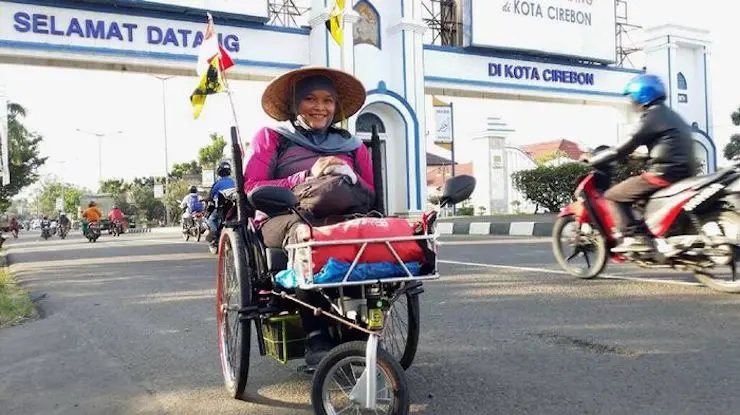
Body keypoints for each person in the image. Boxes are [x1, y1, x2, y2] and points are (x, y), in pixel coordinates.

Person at [244, 66, 375, 366]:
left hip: (342, 215)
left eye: (328, 100)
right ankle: (315, 332)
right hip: (283, 217)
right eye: (310, 99)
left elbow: (371, 192)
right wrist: (306, 175)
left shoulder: (353, 146)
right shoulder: (271, 137)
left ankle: (358, 326)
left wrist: (348, 175)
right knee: (307, 237)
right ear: (293, 104)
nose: (320, 107)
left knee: (363, 234)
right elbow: (252, 187)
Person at [583, 73, 697, 253]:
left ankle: (632, 237)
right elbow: (671, 149)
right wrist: (642, 158)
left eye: (632, 98)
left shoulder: (651, 118)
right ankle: (656, 237)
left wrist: (593, 159)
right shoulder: (672, 116)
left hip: (663, 174)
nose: (632, 103)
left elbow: (618, 150)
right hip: (683, 174)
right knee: (639, 200)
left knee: (613, 195)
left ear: (641, 95)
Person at [205, 161, 235, 243]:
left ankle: (214, 232)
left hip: (221, 209)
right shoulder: (234, 182)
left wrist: (206, 199)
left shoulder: (217, 184)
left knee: (210, 220)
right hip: (234, 209)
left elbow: (210, 197)